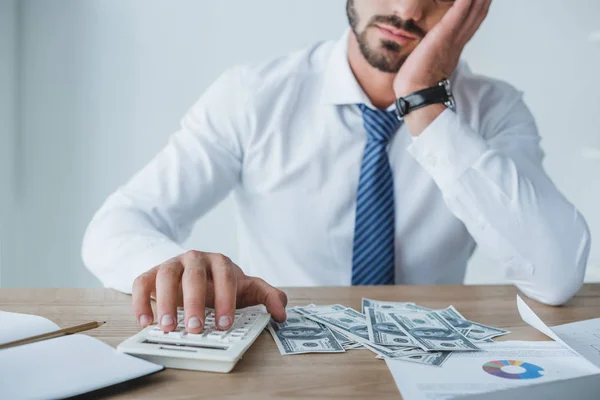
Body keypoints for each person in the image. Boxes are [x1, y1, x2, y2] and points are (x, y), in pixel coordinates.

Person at [82, 0, 590, 336]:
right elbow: (116, 226)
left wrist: (426, 105)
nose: (408, 8)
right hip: (282, 359)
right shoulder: (253, 96)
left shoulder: (494, 112)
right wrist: (180, 269)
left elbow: (555, 275)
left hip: (433, 365)